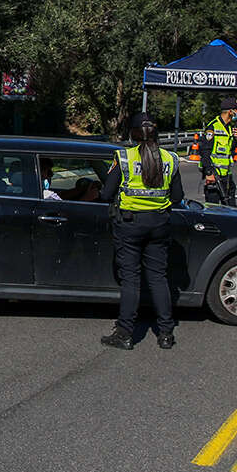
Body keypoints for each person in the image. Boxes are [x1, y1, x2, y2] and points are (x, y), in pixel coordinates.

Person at [99, 112, 184, 350]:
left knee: (130, 280)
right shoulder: (171, 159)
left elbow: (106, 194)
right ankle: (166, 334)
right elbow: (178, 197)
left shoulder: (124, 157)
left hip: (130, 224)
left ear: (133, 133)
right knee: (158, 278)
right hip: (159, 224)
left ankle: (125, 333)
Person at [201, 97, 237, 206]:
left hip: (226, 176)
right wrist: (209, 173)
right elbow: (205, 151)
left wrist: (236, 139)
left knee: (231, 208)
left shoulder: (229, 128)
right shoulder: (213, 127)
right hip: (214, 175)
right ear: (231, 111)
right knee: (213, 208)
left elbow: (229, 150)